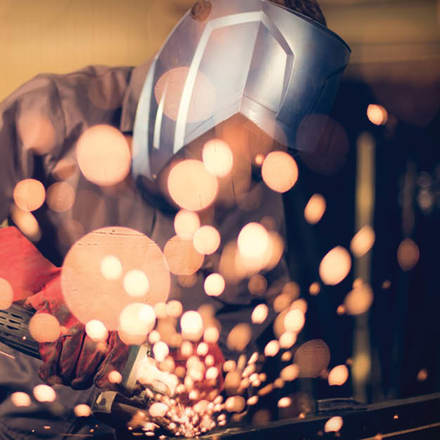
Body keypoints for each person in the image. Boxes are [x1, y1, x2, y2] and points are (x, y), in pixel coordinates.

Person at [0, 0, 349, 438]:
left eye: (265, 144)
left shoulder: (251, 196)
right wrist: (44, 287)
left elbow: (238, 338)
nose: (241, 164)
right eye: (240, 130)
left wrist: (203, 365)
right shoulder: (56, 114)